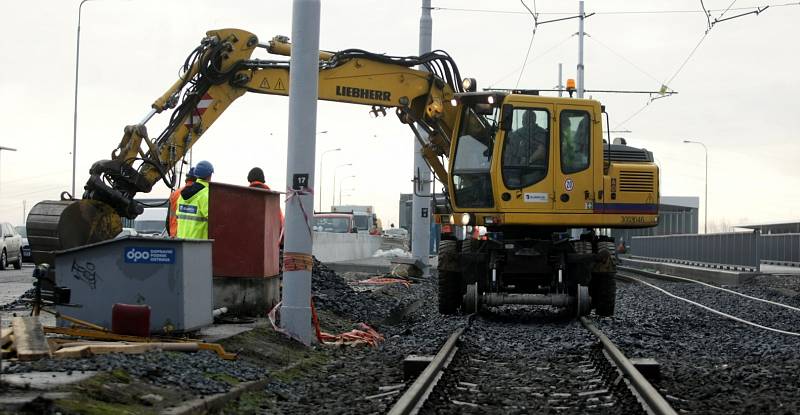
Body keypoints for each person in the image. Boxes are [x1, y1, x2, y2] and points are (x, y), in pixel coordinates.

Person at [176, 160, 213, 239]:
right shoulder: (206, 194)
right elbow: (214, 219)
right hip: (199, 244)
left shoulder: (181, 195)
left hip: (182, 243)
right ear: (210, 175)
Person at [168, 167, 196, 237]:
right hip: (191, 236)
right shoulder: (200, 193)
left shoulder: (174, 194)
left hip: (174, 235)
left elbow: (168, 219)